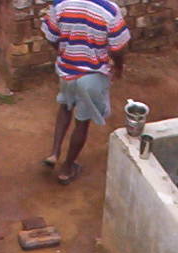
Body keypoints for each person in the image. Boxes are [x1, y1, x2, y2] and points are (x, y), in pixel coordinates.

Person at [40, 0, 129, 186]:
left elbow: (50, 35)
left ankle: (54, 153)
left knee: (65, 107)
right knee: (82, 122)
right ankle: (66, 169)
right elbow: (118, 48)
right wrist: (119, 68)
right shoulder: (110, 10)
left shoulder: (61, 4)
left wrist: (62, 52)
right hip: (92, 77)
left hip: (66, 71)